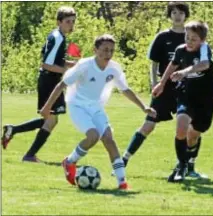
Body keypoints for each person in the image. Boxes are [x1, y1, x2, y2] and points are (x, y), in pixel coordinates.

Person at [40, 34, 156, 189]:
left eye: (111, 51)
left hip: (96, 107)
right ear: (95, 50)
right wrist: (47, 107)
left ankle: (122, 182)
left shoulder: (114, 68)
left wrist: (143, 107)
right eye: (105, 50)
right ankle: (69, 161)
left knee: (109, 138)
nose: (108, 54)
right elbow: (62, 85)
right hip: (77, 105)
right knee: (93, 136)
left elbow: (125, 89)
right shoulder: (84, 65)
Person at [121, 2, 203, 178]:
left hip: (186, 89)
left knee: (192, 127)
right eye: (174, 12)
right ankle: (124, 160)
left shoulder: (194, 38)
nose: (177, 16)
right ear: (170, 15)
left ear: (186, 15)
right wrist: (154, 83)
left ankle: (190, 167)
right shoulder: (162, 37)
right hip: (165, 87)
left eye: (181, 12)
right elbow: (154, 63)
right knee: (148, 125)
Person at [1, 6, 77, 162]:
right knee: (51, 120)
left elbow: (55, 60)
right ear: (59, 22)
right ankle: (29, 155)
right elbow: (46, 65)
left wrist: (73, 64)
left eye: (73, 22)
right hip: (49, 81)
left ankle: (13, 130)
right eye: (68, 22)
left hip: (50, 80)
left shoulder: (57, 36)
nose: (71, 25)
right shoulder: (58, 38)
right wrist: (66, 71)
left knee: (50, 119)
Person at [152, 21, 213, 182]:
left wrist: (185, 71)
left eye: (193, 39)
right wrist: (162, 83)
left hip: (206, 97)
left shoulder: (204, 49)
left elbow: (204, 64)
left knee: (193, 134)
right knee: (181, 127)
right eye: (187, 37)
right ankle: (181, 166)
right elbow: (172, 65)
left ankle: (190, 165)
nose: (189, 41)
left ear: (202, 40)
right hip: (186, 93)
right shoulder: (180, 50)